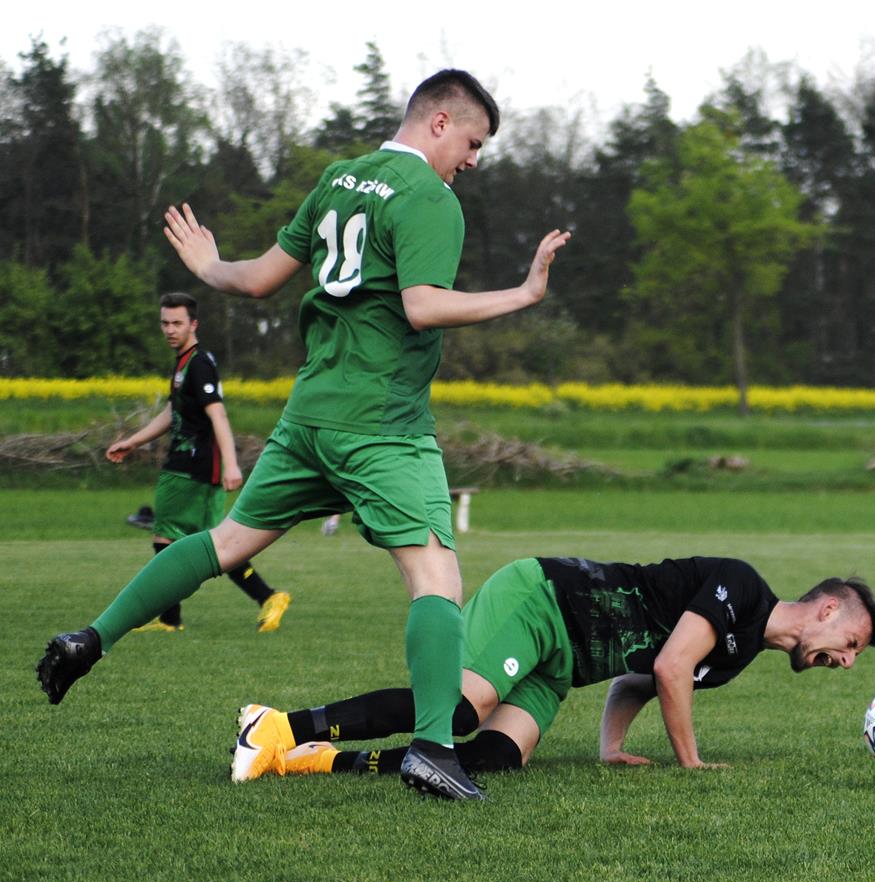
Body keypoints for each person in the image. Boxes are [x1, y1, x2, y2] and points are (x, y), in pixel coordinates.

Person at [37, 69, 572, 801]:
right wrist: (524, 293)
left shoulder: (340, 179)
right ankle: (433, 749)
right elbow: (421, 306)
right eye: (474, 142)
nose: (473, 161)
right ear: (440, 123)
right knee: (436, 577)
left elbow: (256, 280)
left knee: (227, 543)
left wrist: (207, 266)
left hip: (310, 412)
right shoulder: (430, 199)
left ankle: (89, 638)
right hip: (382, 422)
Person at [230, 557, 875, 781]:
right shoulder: (742, 588)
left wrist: (611, 745)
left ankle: (311, 759)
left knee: (492, 757)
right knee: (460, 710)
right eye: (852, 641)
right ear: (827, 608)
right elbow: (668, 666)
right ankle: (277, 724)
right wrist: (689, 761)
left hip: (562, 662)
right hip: (543, 599)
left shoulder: (740, 652)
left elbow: (640, 676)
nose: (846, 660)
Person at [104, 293, 291, 634]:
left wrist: (233, 464)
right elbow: (174, 410)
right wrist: (135, 440)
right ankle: (268, 597)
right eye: (165, 323)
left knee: (166, 540)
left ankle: (170, 619)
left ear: (194, 324)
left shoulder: (199, 361)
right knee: (219, 545)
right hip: (192, 465)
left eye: (177, 323)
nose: (170, 330)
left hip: (191, 466)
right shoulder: (184, 361)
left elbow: (217, 413)